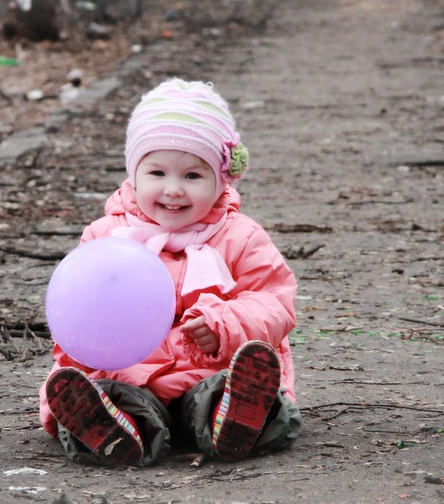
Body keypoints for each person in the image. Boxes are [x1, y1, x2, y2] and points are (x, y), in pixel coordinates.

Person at [38, 78, 301, 467]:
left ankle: (234, 418)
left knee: (224, 392)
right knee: (112, 393)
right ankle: (111, 430)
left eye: (193, 176)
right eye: (157, 173)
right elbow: (76, 308)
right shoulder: (108, 237)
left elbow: (274, 303)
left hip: (210, 372)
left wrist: (223, 323)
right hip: (130, 376)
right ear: (134, 174)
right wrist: (85, 354)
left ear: (220, 180)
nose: (174, 189)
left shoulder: (240, 236)